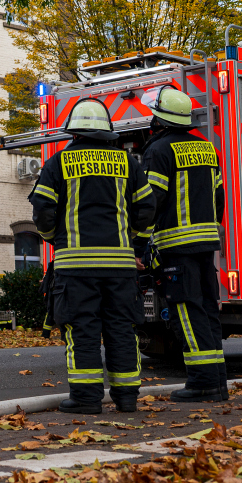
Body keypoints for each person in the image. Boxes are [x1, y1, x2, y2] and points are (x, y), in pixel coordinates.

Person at [28, 98, 155, 414]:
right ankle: (126, 399)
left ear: (74, 132)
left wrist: (54, 240)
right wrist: (131, 242)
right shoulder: (129, 163)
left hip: (76, 267)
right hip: (121, 268)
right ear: (108, 133)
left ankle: (86, 400)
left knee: (82, 329)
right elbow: (147, 209)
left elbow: (42, 211)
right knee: (122, 330)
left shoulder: (59, 162)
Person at [137, 86, 228, 402]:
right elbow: (218, 197)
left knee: (187, 315)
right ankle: (217, 383)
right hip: (205, 247)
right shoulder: (205, 148)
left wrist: (140, 244)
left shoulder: (158, 151)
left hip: (177, 248)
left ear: (160, 119)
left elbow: (152, 202)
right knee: (207, 312)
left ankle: (202, 382)